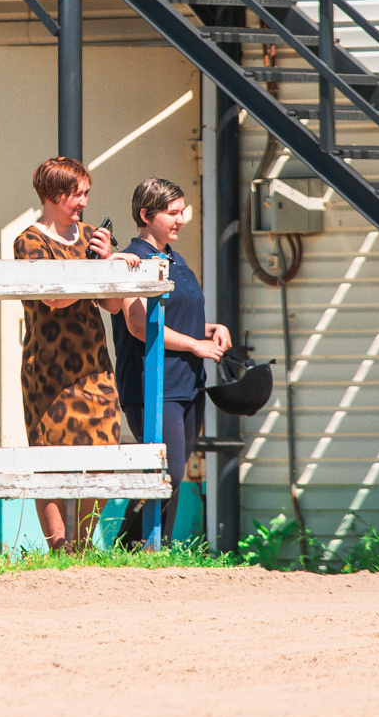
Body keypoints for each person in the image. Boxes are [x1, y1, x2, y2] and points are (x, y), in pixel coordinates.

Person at [12, 156, 138, 552]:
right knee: (50, 458)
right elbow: (54, 298)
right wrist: (94, 265)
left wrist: (109, 264)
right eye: (76, 194)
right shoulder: (29, 240)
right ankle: (58, 548)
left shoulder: (90, 236)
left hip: (94, 365)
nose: (84, 202)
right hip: (48, 368)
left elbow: (112, 305)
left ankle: (81, 545)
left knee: (105, 453)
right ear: (53, 195)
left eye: (86, 193)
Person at [112, 176, 231, 550]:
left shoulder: (175, 259)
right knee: (169, 471)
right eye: (172, 213)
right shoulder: (134, 259)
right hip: (153, 383)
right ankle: (129, 546)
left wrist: (212, 329)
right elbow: (138, 325)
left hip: (188, 382)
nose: (181, 220)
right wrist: (195, 345)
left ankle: (154, 550)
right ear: (146, 215)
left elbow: (175, 320)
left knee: (171, 474)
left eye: (182, 212)